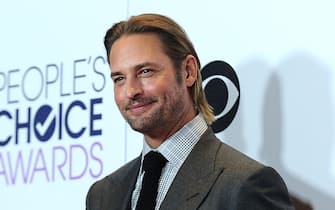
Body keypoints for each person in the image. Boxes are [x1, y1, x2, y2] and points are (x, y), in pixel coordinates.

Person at [86, 13, 294, 210]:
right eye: (119, 79)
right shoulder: (103, 195)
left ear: (188, 71)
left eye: (145, 72)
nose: (131, 91)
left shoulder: (245, 184)